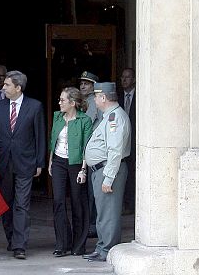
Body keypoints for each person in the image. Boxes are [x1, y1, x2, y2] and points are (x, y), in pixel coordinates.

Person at [0, 70, 46, 260]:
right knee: (6, 204)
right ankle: (11, 238)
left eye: (6, 85)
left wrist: (40, 162)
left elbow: (40, 136)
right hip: (3, 163)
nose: (3, 88)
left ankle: (20, 245)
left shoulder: (35, 106)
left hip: (26, 163)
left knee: (22, 205)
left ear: (18, 88)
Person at [83, 81, 131, 263]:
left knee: (108, 213)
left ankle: (107, 249)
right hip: (101, 169)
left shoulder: (114, 118)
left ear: (103, 97)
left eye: (95, 96)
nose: (94, 99)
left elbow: (115, 151)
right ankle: (102, 246)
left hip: (108, 170)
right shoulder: (108, 116)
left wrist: (108, 178)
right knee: (103, 212)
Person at [48, 87, 93, 257]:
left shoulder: (84, 120)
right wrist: (51, 161)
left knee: (77, 203)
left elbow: (86, 146)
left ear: (72, 103)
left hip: (76, 164)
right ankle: (62, 244)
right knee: (58, 201)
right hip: (59, 161)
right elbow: (53, 139)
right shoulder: (58, 117)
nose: (59, 103)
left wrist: (83, 169)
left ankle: (78, 245)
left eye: (63, 100)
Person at [79, 70, 101, 237]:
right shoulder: (84, 101)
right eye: (82, 83)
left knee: (91, 192)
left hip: (92, 149)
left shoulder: (93, 101)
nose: (83, 85)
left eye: (87, 83)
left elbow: (87, 121)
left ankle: (92, 225)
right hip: (86, 148)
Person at [118, 67, 136, 215]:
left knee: (133, 174)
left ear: (134, 79)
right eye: (122, 77)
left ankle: (132, 204)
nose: (124, 80)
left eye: (128, 77)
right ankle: (124, 203)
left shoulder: (140, 96)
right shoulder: (116, 97)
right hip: (121, 143)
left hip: (136, 142)